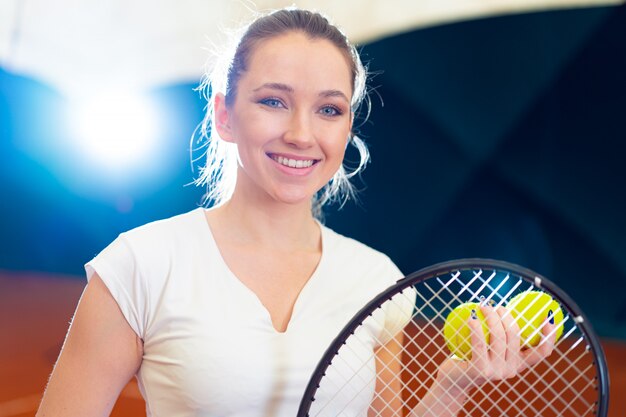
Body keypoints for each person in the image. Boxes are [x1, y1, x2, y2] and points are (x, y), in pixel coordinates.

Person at [36, 8, 556, 417]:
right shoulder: (140, 266)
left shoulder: (376, 280)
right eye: (273, 101)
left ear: (347, 129)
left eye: (328, 109)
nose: (301, 134)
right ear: (224, 115)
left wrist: (453, 385)